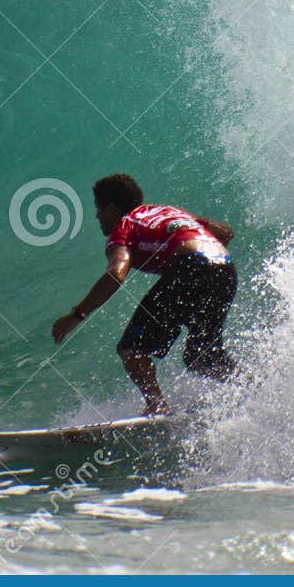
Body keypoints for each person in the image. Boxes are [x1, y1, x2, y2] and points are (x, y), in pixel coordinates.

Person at [50, 173, 240, 416]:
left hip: (189, 267)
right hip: (224, 268)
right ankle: (255, 388)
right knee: (201, 358)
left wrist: (76, 315)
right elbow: (225, 233)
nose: (97, 216)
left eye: (99, 209)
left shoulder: (124, 226)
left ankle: (157, 406)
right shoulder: (167, 212)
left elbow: (115, 274)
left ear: (111, 207)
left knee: (132, 349)